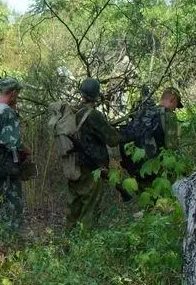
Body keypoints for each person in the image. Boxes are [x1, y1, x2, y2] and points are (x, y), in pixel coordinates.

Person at [67, 78, 121, 229]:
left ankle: (67, 241)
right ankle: (85, 245)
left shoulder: (73, 112)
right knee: (90, 207)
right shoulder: (94, 115)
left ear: (81, 94)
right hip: (92, 169)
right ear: (96, 96)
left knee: (73, 206)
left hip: (73, 165)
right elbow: (113, 140)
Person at [0, 77, 27, 250]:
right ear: (13, 92)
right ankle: (12, 245)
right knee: (13, 205)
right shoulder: (8, 113)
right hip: (8, 165)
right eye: (18, 93)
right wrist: (25, 151)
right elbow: (12, 143)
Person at [119, 86, 182, 186]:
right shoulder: (169, 116)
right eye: (176, 105)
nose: (175, 109)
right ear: (173, 99)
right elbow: (171, 149)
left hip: (135, 166)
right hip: (154, 169)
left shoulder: (143, 111)